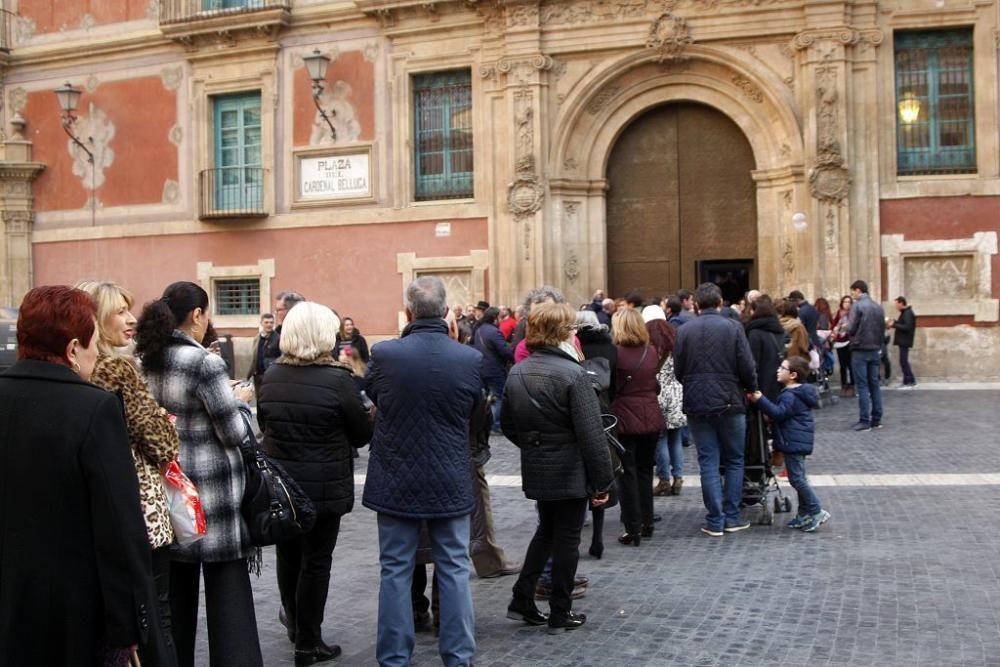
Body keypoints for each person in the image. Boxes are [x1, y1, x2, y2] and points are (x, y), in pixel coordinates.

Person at [0, 286, 157, 667]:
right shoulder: (94, 408)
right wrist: (129, 628)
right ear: (73, 349)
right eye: (92, 345)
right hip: (71, 610)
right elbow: (119, 527)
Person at [136, 281, 262, 667]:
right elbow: (234, 432)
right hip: (213, 497)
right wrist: (241, 403)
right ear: (197, 315)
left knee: (176, 602)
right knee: (230, 602)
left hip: (171, 491)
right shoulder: (205, 363)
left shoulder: (148, 359)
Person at [362, 276, 482, 667]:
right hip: (449, 475)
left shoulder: (385, 354)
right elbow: (477, 414)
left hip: (397, 475)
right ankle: (458, 656)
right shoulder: (468, 359)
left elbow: (375, 396)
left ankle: (394, 658)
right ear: (447, 312)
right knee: (454, 567)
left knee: (395, 568)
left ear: (409, 313)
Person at [257, 302, 373, 666]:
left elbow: (265, 423)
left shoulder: (272, 375)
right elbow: (360, 436)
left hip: (284, 486)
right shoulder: (338, 379)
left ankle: (294, 624)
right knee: (317, 562)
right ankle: (308, 642)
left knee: (289, 557)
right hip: (325, 487)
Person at [78, 280, 181, 667]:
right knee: (156, 615)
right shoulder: (119, 369)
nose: (129, 319)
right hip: (141, 509)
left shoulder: (75, 369)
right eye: (119, 311)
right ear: (95, 317)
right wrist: (163, 420)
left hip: (95, 508)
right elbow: (161, 444)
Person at [502, 302, 614, 634]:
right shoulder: (573, 374)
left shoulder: (517, 371)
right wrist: (603, 481)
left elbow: (509, 425)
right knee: (565, 539)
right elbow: (591, 434)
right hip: (569, 468)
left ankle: (522, 598)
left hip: (539, 464)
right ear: (561, 332)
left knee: (547, 533)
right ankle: (560, 611)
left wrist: (537, 445)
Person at [674, 283, 757, 537]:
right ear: (720, 303)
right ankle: (731, 517)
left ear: (696, 305)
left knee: (708, 462)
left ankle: (715, 519)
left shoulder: (685, 330)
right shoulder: (733, 327)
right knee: (734, 460)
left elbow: (679, 369)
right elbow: (746, 365)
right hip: (731, 401)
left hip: (698, 403)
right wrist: (751, 387)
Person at [750, 356, 830, 532]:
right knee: (799, 477)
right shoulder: (798, 392)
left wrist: (760, 400)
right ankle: (803, 513)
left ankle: (816, 510)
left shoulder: (789, 395)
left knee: (797, 479)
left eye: (782, 368)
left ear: (793, 375)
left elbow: (779, 413)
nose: (778, 370)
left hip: (793, 440)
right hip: (797, 440)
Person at [610, 308, 666, 545]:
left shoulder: (616, 354)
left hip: (625, 417)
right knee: (645, 471)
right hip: (650, 415)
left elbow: (612, 386)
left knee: (627, 473)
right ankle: (647, 522)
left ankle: (632, 527)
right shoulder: (651, 351)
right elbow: (655, 385)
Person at [846, 280, 886, 431]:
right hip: (875, 349)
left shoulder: (857, 306)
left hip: (860, 349)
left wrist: (845, 328)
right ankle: (876, 419)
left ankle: (864, 420)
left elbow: (851, 328)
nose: (852, 295)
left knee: (862, 386)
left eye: (853, 292)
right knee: (874, 385)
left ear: (858, 290)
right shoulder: (878, 307)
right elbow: (882, 329)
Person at [472, 306, 514, 431]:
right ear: (495, 318)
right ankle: (496, 424)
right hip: (494, 369)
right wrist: (513, 355)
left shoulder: (479, 329)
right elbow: (504, 351)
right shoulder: (494, 331)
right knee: (499, 396)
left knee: (486, 398)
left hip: (481, 368)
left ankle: (486, 422)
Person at [744, 296, 785, 403]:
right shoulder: (780, 330)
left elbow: (752, 362)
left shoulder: (755, 332)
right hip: (781, 379)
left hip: (763, 383)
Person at [247, 312, 279, 395]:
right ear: (261, 323)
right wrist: (250, 374)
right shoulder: (257, 338)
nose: (269, 325)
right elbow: (254, 357)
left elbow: (281, 358)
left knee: (269, 397)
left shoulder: (278, 338)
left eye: (271, 322)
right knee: (259, 399)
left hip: (270, 375)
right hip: (257, 375)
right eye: (266, 322)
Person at [890, 296, 917, 388]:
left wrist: (894, 325)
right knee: (903, 361)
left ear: (901, 303)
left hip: (905, 340)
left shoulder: (907, 313)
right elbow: (903, 324)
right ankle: (908, 380)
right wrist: (895, 322)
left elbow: (907, 327)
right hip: (903, 340)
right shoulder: (905, 313)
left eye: (897, 304)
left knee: (903, 361)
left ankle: (909, 381)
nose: (896, 306)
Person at [832, 295, 854, 397]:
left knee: (851, 364)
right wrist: (836, 328)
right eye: (845, 302)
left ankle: (852, 386)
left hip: (850, 341)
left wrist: (848, 326)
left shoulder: (853, 313)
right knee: (842, 365)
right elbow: (834, 325)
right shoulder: (839, 313)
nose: (847, 304)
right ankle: (844, 385)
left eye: (849, 302)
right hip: (840, 341)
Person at [777, 299, 810, 363]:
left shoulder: (777, 324)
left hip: (781, 360)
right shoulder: (799, 327)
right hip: (796, 361)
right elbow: (803, 345)